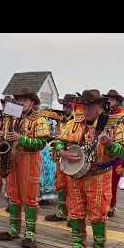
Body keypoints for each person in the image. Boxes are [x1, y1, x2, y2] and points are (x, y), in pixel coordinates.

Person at [52, 89, 124, 248]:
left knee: (98, 214)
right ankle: (78, 247)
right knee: (76, 212)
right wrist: (63, 151)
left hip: (99, 175)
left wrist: (109, 145)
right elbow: (58, 142)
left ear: (100, 106)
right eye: (84, 105)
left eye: (89, 106)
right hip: (75, 176)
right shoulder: (73, 122)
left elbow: (122, 150)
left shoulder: (113, 124)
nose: (85, 109)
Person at [0, 88, 50, 248]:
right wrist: (1, 135)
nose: (21, 103)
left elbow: (41, 144)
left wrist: (21, 138)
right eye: (19, 100)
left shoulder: (38, 119)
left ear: (33, 102)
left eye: (25, 100)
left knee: (30, 197)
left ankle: (30, 234)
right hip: (12, 157)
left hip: (30, 159)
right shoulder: (12, 117)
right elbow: (6, 136)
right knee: (13, 194)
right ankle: (13, 229)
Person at [45, 94, 79, 222]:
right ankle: (61, 212)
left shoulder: (77, 120)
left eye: (67, 106)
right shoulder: (63, 119)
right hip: (61, 157)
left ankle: (73, 216)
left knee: (72, 187)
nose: (65, 108)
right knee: (60, 184)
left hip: (72, 157)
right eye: (64, 105)